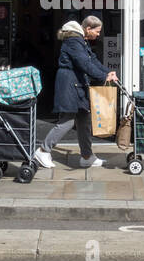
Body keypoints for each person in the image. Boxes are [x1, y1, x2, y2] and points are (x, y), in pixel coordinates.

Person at [35, 15, 117, 169]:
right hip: (69, 84)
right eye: (97, 31)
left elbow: (93, 60)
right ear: (88, 29)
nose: (98, 34)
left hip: (77, 83)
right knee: (67, 121)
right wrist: (103, 76)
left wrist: (108, 72)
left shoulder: (81, 40)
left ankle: (87, 156)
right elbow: (84, 63)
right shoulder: (74, 41)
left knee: (84, 120)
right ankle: (43, 150)